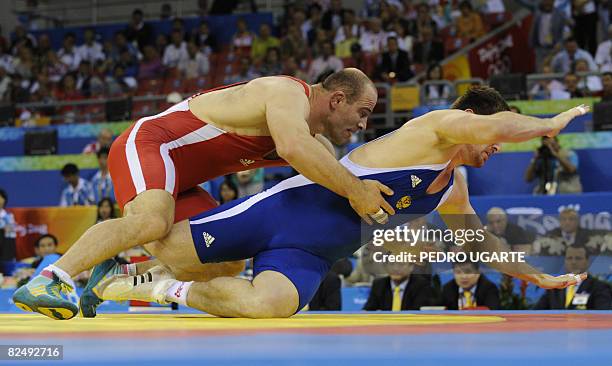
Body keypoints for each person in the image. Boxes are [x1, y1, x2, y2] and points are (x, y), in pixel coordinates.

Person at [15, 87, 589, 320]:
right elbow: (502, 124)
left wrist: (533, 275)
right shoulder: (433, 128)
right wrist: (549, 122)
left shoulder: (451, 184)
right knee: (162, 235)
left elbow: (473, 240)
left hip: (312, 254)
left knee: (269, 306)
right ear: (478, 124)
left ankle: (150, 286)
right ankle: (99, 270)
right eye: (492, 142)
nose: (494, 152)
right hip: (280, 212)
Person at [15, 69, 394, 319]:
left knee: (224, 260)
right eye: (363, 112)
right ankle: (50, 276)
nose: (363, 124)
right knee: (151, 220)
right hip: (151, 143)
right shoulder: (286, 93)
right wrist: (356, 190)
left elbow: (332, 178)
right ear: (337, 98)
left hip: (184, 178)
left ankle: (120, 275)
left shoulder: (316, 143)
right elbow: (296, 150)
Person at [535, 245, 612, 310]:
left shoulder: (600, 288)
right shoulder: (554, 287)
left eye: (578, 258)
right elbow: (536, 313)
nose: (573, 262)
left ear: (588, 262)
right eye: (569, 258)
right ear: (564, 262)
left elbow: (603, 316)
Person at [363, 261, 434, 311]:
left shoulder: (421, 285)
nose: (395, 268)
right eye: (391, 263)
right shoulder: (379, 284)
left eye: (401, 264)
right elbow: (368, 310)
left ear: (411, 267)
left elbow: (418, 312)